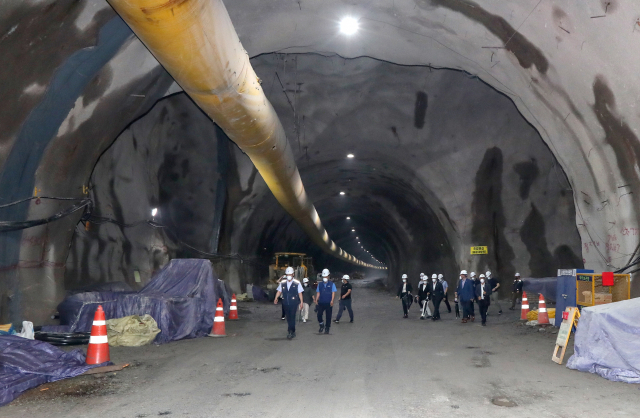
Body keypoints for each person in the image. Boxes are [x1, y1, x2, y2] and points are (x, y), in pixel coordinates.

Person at [273, 267, 304, 339]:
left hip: (293, 303)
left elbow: (300, 293)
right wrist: (276, 298)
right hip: (285, 303)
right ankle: (291, 330)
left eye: (290, 274)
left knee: (292, 317)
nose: (289, 276)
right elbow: (279, 291)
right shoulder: (283, 283)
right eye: (287, 274)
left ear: (293, 274)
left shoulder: (297, 283)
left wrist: (301, 302)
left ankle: (291, 331)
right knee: (288, 317)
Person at [315, 269, 336, 334]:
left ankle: (327, 328)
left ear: (328, 276)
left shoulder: (332, 284)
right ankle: (321, 324)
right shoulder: (320, 284)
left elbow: (333, 293)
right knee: (319, 315)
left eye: (326, 276)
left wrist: (332, 300)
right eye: (324, 277)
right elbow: (318, 292)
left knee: (328, 316)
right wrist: (316, 299)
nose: (325, 278)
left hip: (328, 302)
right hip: (321, 302)